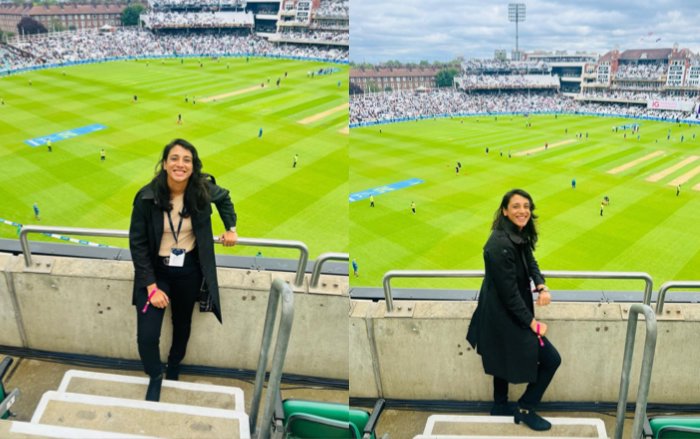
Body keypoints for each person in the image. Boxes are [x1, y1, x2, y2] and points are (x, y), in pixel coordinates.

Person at [129, 138, 238, 402]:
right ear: (165, 164)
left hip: (189, 270)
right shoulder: (146, 196)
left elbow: (225, 199)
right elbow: (138, 243)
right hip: (156, 274)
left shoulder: (202, 189)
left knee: (183, 324)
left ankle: (174, 367)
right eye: (175, 158)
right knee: (146, 336)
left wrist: (230, 228)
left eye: (186, 160)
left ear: (193, 165)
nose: (180, 164)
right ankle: (155, 375)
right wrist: (151, 287)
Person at [467, 189, 559, 432]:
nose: (523, 211)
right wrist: (532, 324)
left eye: (526, 206)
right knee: (551, 359)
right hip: (501, 314)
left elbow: (530, 262)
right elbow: (509, 294)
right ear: (505, 211)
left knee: (501, 357)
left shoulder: (518, 235)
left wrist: (541, 284)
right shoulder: (498, 244)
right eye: (516, 206)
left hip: (504, 313)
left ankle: (499, 406)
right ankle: (525, 408)